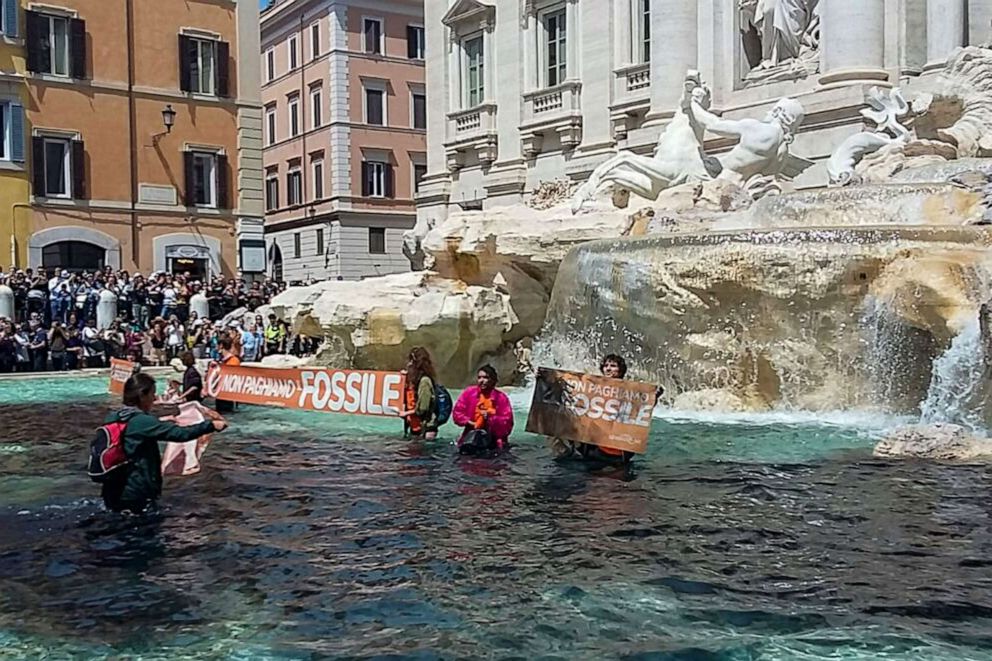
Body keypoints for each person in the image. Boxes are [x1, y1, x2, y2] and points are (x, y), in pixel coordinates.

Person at [100, 372, 226, 513]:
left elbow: (132, 432)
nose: (154, 398)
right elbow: (181, 434)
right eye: (152, 394)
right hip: (137, 493)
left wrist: (159, 422)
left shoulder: (114, 417)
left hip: (113, 489)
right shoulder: (143, 422)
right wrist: (211, 425)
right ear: (142, 396)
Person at [451, 365, 514, 454]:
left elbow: (507, 423)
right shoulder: (469, 393)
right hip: (471, 437)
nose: (482, 380)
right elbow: (457, 413)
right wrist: (471, 423)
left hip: (494, 441)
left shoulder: (501, 398)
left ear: (493, 380)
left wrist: (491, 419)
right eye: (479, 377)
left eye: (486, 377)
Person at [400, 347, 439, 440]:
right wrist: (403, 378)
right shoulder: (416, 380)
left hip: (426, 428)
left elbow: (423, 408)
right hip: (417, 427)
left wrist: (405, 413)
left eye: (411, 361)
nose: (408, 364)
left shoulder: (424, 382)